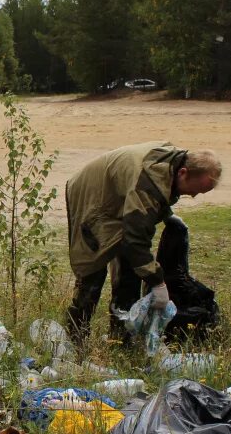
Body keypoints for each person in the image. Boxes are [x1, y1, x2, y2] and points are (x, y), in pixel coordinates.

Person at [64, 142, 222, 343]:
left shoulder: (172, 165)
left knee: (130, 271)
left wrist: (167, 215)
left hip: (120, 197)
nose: (193, 195)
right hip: (93, 197)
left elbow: (145, 217)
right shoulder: (148, 183)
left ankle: (122, 339)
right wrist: (158, 282)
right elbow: (136, 240)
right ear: (183, 173)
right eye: (196, 190)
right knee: (92, 271)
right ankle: (76, 340)